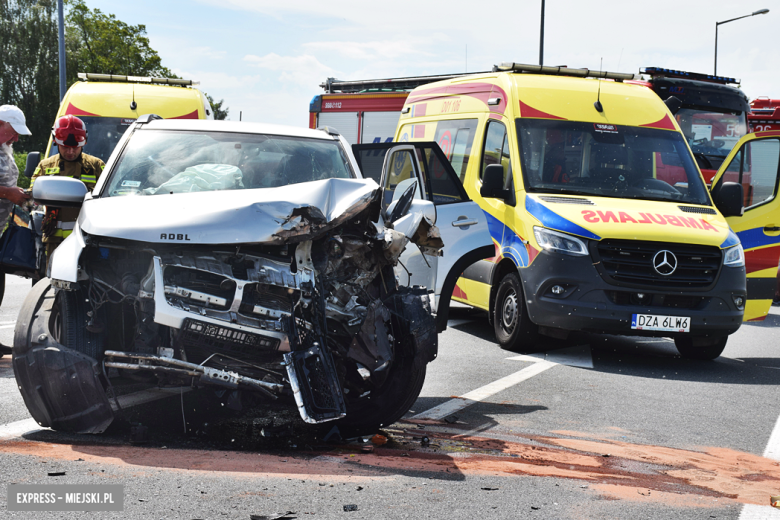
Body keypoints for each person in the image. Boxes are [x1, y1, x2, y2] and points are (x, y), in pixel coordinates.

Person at [31, 115, 104, 264]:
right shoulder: (46, 166)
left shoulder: (96, 166)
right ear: (56, 142)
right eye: (65, 147)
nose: (70, 151)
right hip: (54, 238)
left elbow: (108, 196)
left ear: (84, 143)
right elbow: (33, 192)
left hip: (87, 237)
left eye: (75, 147)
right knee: (52, 279)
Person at [0, 105, 32, 357]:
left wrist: (19, 194)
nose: (16, 138)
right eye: (13, 132)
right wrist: (6, 193)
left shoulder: (4, 150)